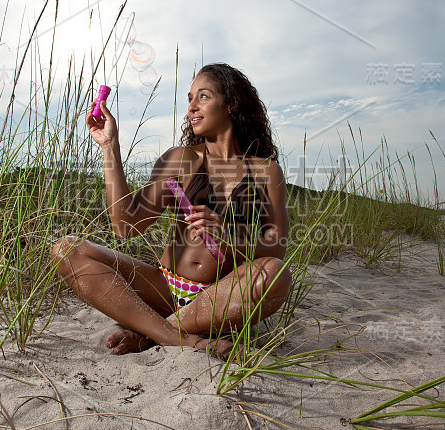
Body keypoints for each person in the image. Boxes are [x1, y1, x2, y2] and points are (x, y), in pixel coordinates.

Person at [51, 63, 291, 359]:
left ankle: (151, 333)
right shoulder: (180, 160)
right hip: (163, 289)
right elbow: (126, 225)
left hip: (219, 299)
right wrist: (109, 145)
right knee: (68, 250)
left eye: (202, 96)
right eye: (190, 99)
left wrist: (229, 236)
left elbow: (276, 247)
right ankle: (177, 337)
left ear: (230, 104)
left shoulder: (267, 172)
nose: (192, 107)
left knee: (275, 274)